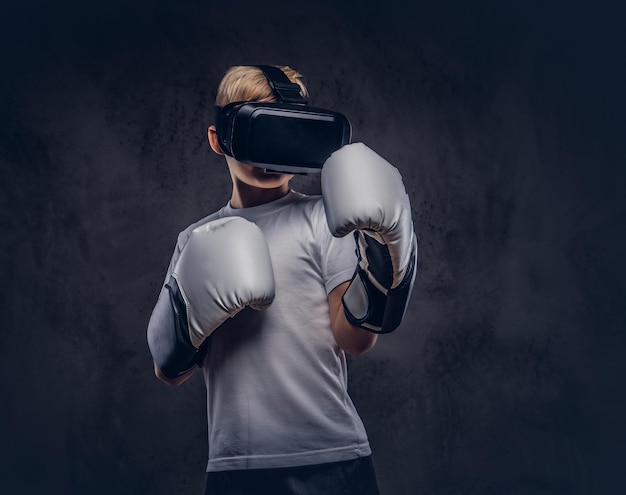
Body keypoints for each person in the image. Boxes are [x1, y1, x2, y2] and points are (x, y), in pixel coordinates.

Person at [147, 65, 417, 495]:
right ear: (219, 139)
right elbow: (170, 372)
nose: (273, 154)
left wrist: (387, 261)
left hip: (332, 454)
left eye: (288, 133)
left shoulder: (325, 220)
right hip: (237, 460)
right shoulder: (197, 239)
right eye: (260, 131)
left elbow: (355, 340)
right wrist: (187, 321)